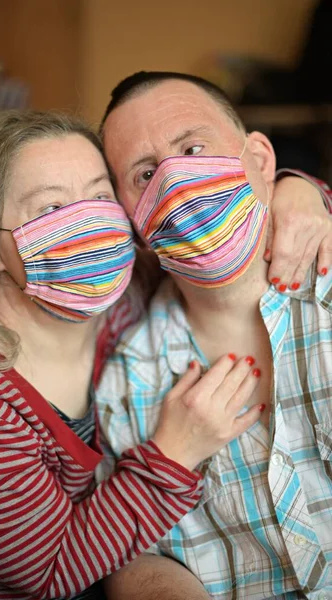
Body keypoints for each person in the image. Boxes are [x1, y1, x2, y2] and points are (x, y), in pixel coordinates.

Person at [0, 111, 329, 600]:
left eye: (99, 197)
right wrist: (175, 452)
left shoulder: (126, 289)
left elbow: (210, 236)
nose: (86, 224)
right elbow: (50, 573)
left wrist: (300, 191)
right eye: (50, 207)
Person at [96, 71, 332, 600]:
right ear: (130, 221)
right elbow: (133, 559)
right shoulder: (124, 385)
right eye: (145, 173)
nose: (177, 184)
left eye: (193, 147)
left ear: (261, 162)